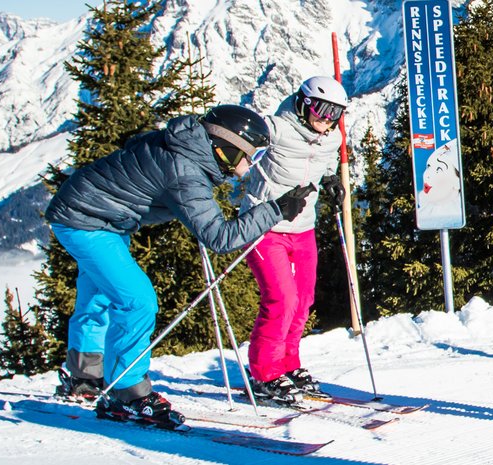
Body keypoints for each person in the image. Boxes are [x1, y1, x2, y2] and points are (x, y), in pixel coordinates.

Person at [46, 104, 316, 429]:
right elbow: (220, 237)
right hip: (86, 220)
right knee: (137, 301)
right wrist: (275, 210)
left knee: (102, 296)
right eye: (243, 158)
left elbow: (137, 152)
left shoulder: (180, 143)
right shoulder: (186, 171)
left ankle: (83, 377)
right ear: (223, 146)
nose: (245, 170)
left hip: (96, 214)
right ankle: (126, 393)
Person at [237, 76, 350, 406]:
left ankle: (287, 365)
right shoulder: (276, 129)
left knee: (302, 301)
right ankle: (264, 375)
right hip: (264, 226)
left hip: (303, 228)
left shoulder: (331, 137)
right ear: (303, 103)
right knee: (281, 300)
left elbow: (323, 162)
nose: (326, 118)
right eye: (321, 108)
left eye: (335, 112)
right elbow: (239, 146)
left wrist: (330, 179)